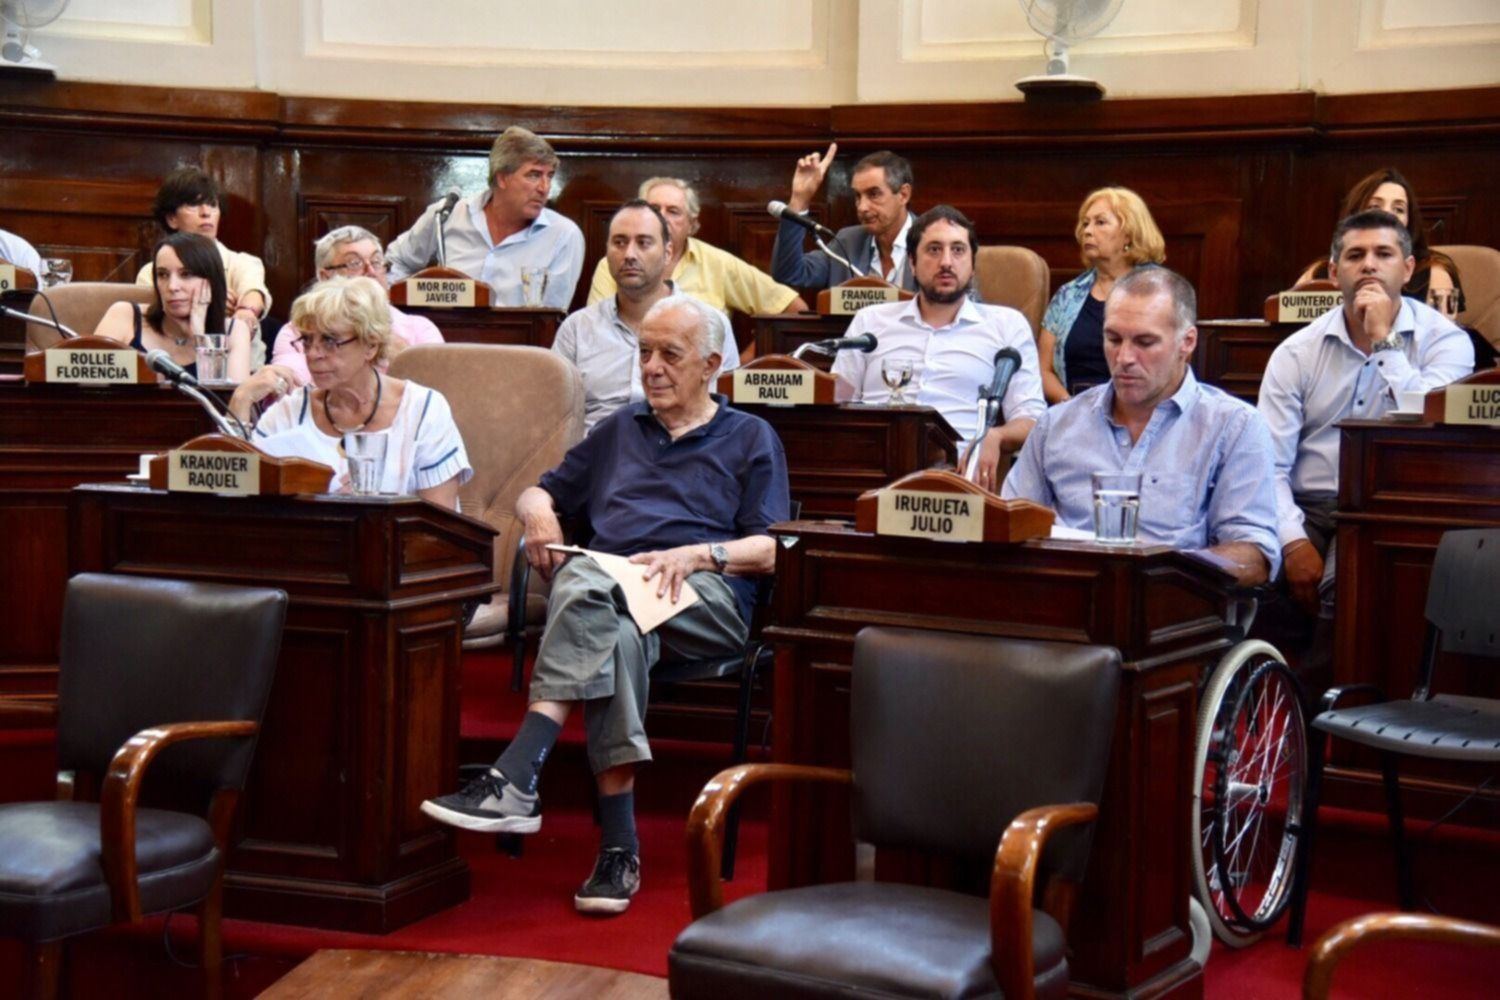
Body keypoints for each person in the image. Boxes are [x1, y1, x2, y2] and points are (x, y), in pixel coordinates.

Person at [421, 294, 789, 916]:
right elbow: (541, 491)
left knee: (583, 579)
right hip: (616, 596)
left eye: (669, 354)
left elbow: (771, 548)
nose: (651, 367)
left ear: (711, 365)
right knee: (613, 630)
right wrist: (538, 513)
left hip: (704, 599)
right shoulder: (620, 428)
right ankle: (619, 849)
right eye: (644, 352)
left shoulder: (751, 437)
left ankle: (519, 772)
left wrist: (698, 555)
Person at [1256, 210, 1473, 681]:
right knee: (1248, 576)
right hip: (1305, 504)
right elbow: (1267, 465)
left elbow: (1426, 424)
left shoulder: (1448, 343)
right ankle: (1254, 697)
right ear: (1335, 273)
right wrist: (1293, 542)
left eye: (1383, 254)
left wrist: (1384, 342)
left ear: (1408, 269)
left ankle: (1314, 714)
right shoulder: (1296, 352)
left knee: (1344, 587)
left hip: (1388, 508)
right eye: (1355, 255)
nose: (1369, 265)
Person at [1004, 267, 1280, 587]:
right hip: (1062, 598)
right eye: (1113, 339)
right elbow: (1007, 524)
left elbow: (1253, 555)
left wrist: (1168, 572)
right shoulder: (1057, 424)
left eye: (1144, 342)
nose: (1124, 357)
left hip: (1175, 601)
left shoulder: (1233, 426)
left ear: (1187, 342)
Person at [830, 206, 1044, 490]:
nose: (946, 262)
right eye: (933, 250)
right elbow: (835, 402)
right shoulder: (870, 321)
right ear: (912, 263)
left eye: (958, 250)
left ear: (972, 264)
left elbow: (1032, 418)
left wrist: (996, 436)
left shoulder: (1006, 326)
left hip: (956, 481)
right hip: (872, 473)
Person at [230, 277, 473, 508]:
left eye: (329, 341)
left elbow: (440, 524)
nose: (313, 354)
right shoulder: (288, 414)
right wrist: (240, 400)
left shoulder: (423, 410)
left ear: (371, 345)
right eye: (307, 340)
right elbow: (239, 502)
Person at [557, 200, 737, 432]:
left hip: (682, 448)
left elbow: (723, 417)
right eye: (619, 242)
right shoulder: (576, 328)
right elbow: (554, 417)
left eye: (644, 243)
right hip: (598, 450)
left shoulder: (710, 323)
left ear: (668, 253)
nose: (629, 254)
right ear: (607, 251)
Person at [386, 126, 584, 309]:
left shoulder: (563, 235)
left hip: (518, 336)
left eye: (549, 176)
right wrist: (405, 313)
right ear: (502, 178)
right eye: (534, 175)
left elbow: (550, 320)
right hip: (444, 334)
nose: (544, 188)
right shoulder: (448, 215)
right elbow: (397, 262)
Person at [586, 177, 808, 319]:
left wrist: (741, 368)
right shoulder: (615, 264)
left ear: (691, 225)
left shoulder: (718, 263)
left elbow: (793, 308)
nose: (662, 217)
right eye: (654, 209)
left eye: (673, 211)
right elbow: (594, 330)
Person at [267, 225, 444, 387]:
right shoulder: (297, 332)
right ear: (325, 277)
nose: (371, 272)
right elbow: (292, 387)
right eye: (354, 263)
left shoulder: (420, 328)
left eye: (376, 261)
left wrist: (386, 341)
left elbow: (440, 389)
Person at [1038, 187, 1166, 403]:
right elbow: (1043, 369)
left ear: (1129, 233)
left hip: (1141, 408)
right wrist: (1071, 406)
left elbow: (1175, 363)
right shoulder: (1068, 295)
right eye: (1085, 223)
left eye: (1100, 222)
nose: (1087, 231)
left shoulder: (1160, 291)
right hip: (1075, 407)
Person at [1294, 167, 1462, 320]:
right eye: (1375, 206)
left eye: (1399, 209)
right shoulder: (1319, 273)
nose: (1387, 215)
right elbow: (1289, 327)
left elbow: (1441, 338)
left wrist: (1383, 335)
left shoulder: (1433, 274)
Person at [134, 167, 273, 348]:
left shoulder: (243, 262)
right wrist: (212, 301)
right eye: (194, 205)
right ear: (172, 219)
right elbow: (152, 319)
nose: (206, 212)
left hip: (236, 358)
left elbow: (253, 294)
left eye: (213, 205)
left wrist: (246, 311)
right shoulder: (150, 272)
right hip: (170, 355)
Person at [95, 231, 253, 383]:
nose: (172, 286)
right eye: (162, 275)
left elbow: (228, 400)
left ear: (211, 281)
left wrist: (200, 338)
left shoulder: (235, 331)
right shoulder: (125, 316)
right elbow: (89, 381)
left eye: (186, 274)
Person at [771, 145, 917, 291]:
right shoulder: (848, 241)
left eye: (873, 194)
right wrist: (800, 199)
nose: (862, 207)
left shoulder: (927, 241)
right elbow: (789, 273)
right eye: (858, 196)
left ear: (903, 195)